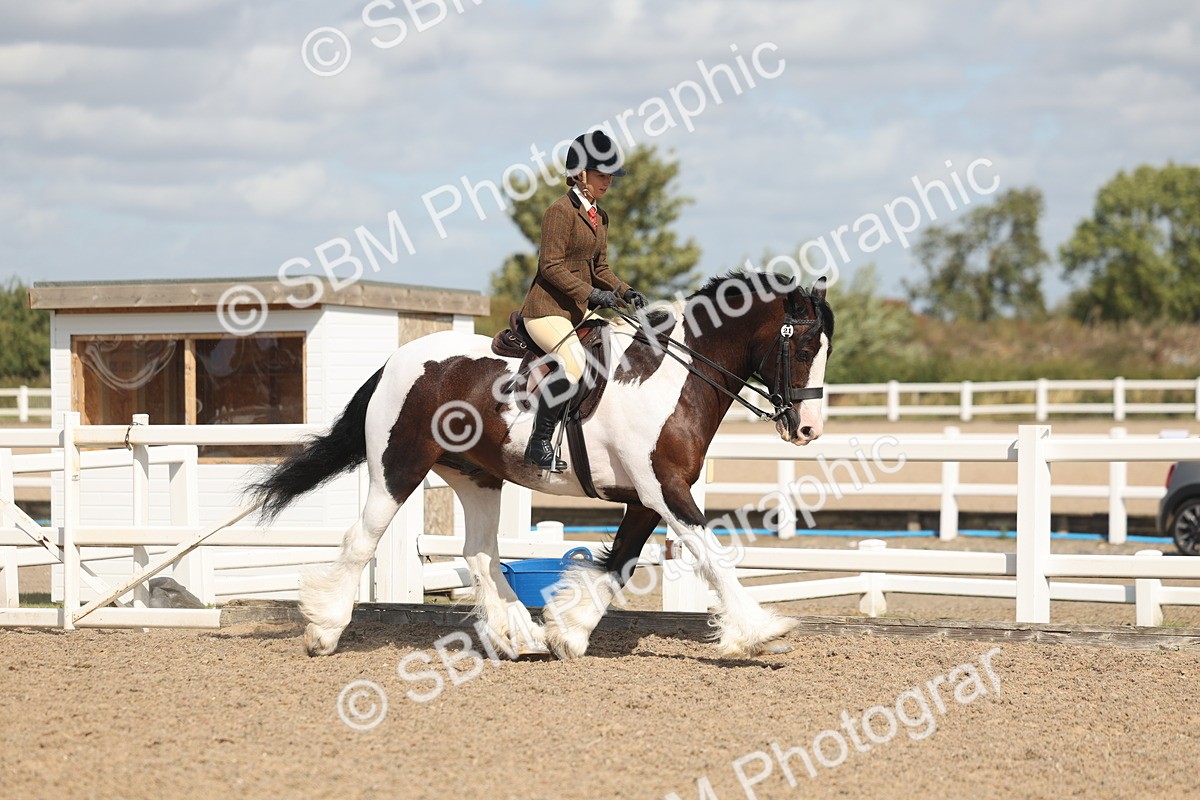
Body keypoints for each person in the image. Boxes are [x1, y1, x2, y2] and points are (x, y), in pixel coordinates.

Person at [518, 130, 647, 472]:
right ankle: (539, 442)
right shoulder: (559, 211)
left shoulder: (600, 217)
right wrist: (591, 294)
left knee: (617, 348)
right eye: (601, 175)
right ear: (580, 173)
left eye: (610, 176)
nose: (607, 182)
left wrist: (624, 291)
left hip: (578, 312)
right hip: (547, 310)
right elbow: (550, 266)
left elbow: (600, 267)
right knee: (573, 363)